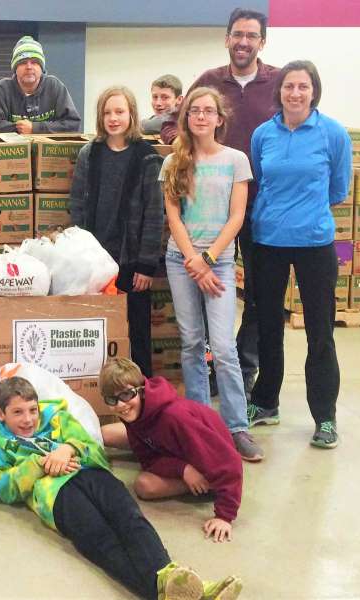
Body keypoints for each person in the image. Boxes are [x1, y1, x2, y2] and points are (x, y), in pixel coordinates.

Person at [0, 376, 243, 600]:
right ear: (1, 414)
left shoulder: (57, 417)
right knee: (99, 540)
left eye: (32, 409)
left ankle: (171, 581)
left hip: (92, 474)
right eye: (18, 412)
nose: (29, 419)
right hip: (56, 495)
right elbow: (1, 487)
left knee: (130, 520)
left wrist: (68, 448)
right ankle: (191, 590)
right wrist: (38, 464)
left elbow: (92, 445)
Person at [162, 9, 279, 399]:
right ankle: (211, 374)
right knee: (197, 327)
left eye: (251, 35)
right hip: (206, 207)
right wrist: (186, 150)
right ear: (227, 39)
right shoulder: (209, 82)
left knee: (260, 293)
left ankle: (244, 366)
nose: (243, 41)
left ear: (262, 41)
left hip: (258, 207)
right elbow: (171, 122)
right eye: (237, 35)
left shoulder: (278, 82)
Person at [248, 61, 351, 450]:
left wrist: (304, 213)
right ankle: (265, 403)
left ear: (314, 91)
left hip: (315, 243)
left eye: (303, 86)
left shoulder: (333, 133)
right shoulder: (263, 134)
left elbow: (337, 189)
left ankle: (325, 417)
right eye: (289, 86)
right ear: (280, 92)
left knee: (320, 332)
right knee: (268, 326)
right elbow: (261, 177)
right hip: (268, 241)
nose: (295, 93)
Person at [160, 87, 263, 462]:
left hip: (216, 261)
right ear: (186, 117)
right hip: (181, 260)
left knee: (223, 347)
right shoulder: (174, 162)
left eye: (208, 111)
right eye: (194, 111)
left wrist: (208, 258)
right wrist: (193, 260)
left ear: (220, 119)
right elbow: (173, 217)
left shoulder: (236, 160)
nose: (201, 117)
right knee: (191, 342)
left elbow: (237, 217)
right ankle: (201, 420)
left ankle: (237, 427)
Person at [70, 86, 164, 377]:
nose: (113, 118)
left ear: (131, 114)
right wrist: (80, 257)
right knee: (96, 330)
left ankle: (143, 391)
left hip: (132, 262)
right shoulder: (90, 154)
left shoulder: (147, 157)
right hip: (97, 262)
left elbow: (154, 212)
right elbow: (77, 204)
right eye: (107, 112)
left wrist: (146, 265)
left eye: (120, 111)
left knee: (136, 331)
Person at [99, 358, 243, 543]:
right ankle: (190, 475)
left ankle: (207, 482)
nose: (120, 405)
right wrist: (182, 468)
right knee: (106, 433)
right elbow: (148, 461)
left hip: (207, 455)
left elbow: (230, 462)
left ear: (142, 390)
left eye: (127, 395)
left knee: (144, 485)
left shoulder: (175, 417)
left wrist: (225, 516)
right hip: (172, 448)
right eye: (112, 399)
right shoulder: (134, 413)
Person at [0, 35, 81, 134]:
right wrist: (20, 128)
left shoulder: (55, 87)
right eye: (23, 62)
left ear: (41, 68)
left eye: (34, 62)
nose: (29, 67)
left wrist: (35, 128)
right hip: (15, 149)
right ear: (15, 68)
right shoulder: (2, 89)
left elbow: (73, 124)